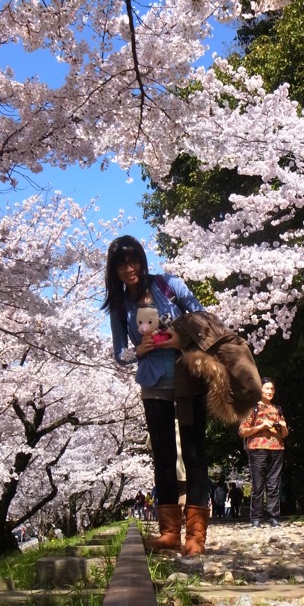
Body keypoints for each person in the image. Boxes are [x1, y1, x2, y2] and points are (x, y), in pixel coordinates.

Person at [104, 235, 212, 555]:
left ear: (142, 260)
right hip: (153, 384)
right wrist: (138, 350)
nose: (129, 269)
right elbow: (120, 354)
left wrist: (180, 337)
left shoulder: (168, 285)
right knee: (163, 457)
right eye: (121, 265)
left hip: (189, 377)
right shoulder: (120, 306)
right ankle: (169, 532)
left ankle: (196, 535)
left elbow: (203, 318)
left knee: (194, 453)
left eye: (133, 261)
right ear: (114, 270)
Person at [239, 377, 288, 528]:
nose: (270, 391)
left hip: (277, 449)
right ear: (259, 390)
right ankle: (256, 518)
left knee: (273, 485)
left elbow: (284, 434)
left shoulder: (277, 409)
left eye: (272, 389)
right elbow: (242, 431)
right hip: (257, 449)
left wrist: (283, 426)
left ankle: (274, 517)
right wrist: (261, 426)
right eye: (267, 388)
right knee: (258, 485)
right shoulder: (252, 408)